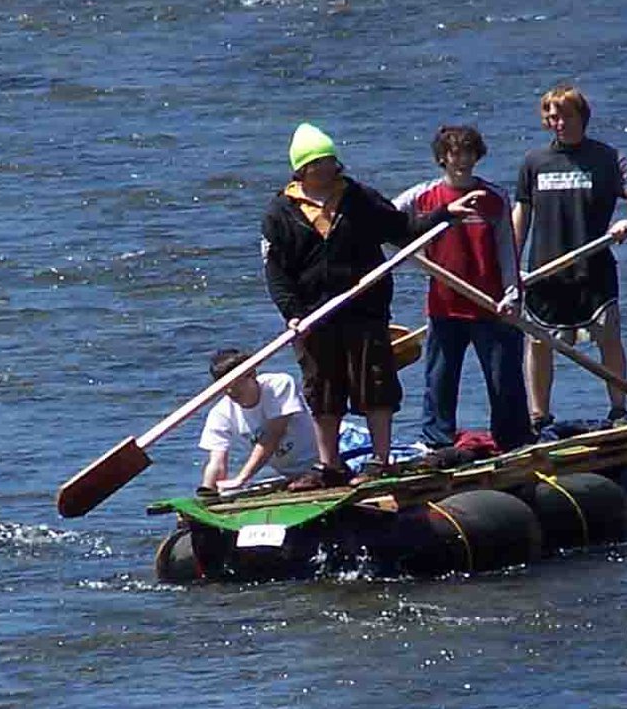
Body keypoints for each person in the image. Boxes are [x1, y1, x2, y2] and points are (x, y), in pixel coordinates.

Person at [263, 122, 487, 490]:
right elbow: (276, 272)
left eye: (329, 161)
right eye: (316, 163)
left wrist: (446, 213)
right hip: (313, 317)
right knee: (323, 390)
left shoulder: (358, 198)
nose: (324, 169)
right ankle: (328, 465)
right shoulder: (280, 212)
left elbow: (403, 228)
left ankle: (380, 461)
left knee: (376, 385)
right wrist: (292, 314)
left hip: (365, 308)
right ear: (301, 169)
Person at [511, 85, 627, 433]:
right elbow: (521, 213)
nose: (558, 122)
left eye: (565, 115)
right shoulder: (534, 162)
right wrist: (510, 263)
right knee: (538, 342)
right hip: (545, 269)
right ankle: (538, 416)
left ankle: (619, 409)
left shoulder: (607, 158)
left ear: (582, 117)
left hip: (594, 267)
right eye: (552, 116)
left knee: (608, 336)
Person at [394, 125, 531, 453]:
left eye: (469, 152)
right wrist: (412, 257)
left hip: (491, 306)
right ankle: (437, 443)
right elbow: (386, 224)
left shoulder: (494, 198)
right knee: (439, 381)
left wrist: (512, 296)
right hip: (445, 307)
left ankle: (514, 442)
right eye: (455, 153)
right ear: (442, 157)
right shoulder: (423, 197)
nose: (463, 160)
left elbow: (507, 252)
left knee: (504, 381)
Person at [197, 349, 318, 492]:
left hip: (335, 452)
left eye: (235, 383)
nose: (230, 391)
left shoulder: (278, 385)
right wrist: (208, 489)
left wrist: (241, 479)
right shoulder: (220, 414)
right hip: (294, 475)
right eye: (224, 386)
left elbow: (273, 435)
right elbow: (217, 461)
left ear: (252, 374)